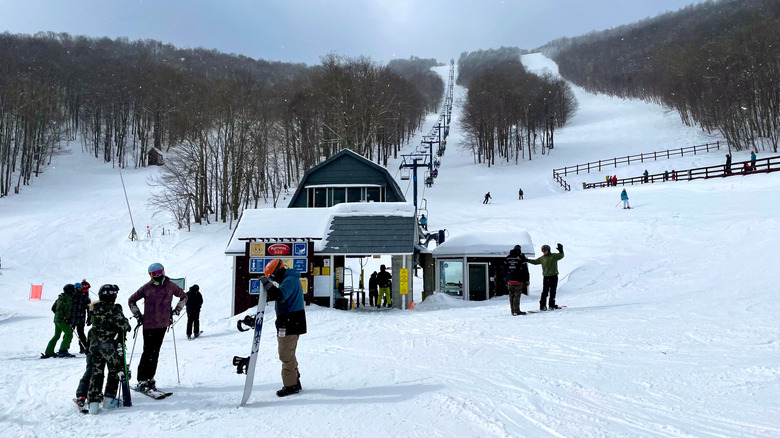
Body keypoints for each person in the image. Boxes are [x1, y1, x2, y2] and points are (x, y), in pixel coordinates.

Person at [128, 262, 187, 393]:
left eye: (159, 272)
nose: (157, 275)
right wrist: (137, 315)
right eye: (154, 274)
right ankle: (142, 379)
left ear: (163, 271)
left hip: (162, 324)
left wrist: (177, 310)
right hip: (148, 325)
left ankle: (150, 378)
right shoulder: (146, 288)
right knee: (147, 352)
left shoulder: (171, 286)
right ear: (150, 275)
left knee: (155, 352)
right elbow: (131, 300)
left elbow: (184, 297)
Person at [261, 259, 307, 397]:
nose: (273, 280)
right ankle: (294, 380)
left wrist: (267, 285)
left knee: (285, 354)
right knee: (289, 353)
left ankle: (290, 386)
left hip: (290, 322)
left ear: (277, 272)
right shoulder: (289, 279)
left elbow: (280, 296)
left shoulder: (289, 280)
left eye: (272, 277)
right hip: (289, 321)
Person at [86, 284, 131, 413]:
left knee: (96, 373)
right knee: (114, 371)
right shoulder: (113, 309)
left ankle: (93, 403)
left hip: (94, 345)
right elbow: (124, 326)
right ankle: (108, 399)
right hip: (109, 346)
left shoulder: (93, 308)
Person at [42, 283, 77, 358]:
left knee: (56, 335)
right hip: (62, 320)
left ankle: (49, 351)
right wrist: (66, 318)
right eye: (73, 290)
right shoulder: (68, 298)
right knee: (69, 334)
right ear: (70, 291)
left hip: (57, 319)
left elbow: (53, 308)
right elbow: (67, 310)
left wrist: (58, 315)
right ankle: (63, 351)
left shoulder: (60, 297)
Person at [526, 243, 565, 311]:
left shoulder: (553, 256)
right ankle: (542, 306)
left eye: (544, 250)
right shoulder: (542, 258)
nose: (543, 252)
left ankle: (551, 305)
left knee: (552, 291)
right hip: (546, 277)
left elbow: (561, 256)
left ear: (548, 250)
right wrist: (527, 260)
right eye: (542, 250)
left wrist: (561, 251)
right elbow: (535, 262)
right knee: (545, 292)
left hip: (554, 276)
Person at [504, 245, 530, 315]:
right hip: (518, 280)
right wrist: (527, 279)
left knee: (511, 296)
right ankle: (516, 310)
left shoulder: (508, 258)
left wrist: (506, 278)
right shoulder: (521, 258)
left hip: (510, 280)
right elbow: (525, 270)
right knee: (517, 296)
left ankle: (512, 310)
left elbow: (504, 269)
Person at [71, 280, 91, 354]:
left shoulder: (71, 296)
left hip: (72, 318)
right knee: (81, 333)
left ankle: (65, 347)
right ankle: (83, 348)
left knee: (69, 333)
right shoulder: (84, 296)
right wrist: (89, 317)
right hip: (81, 318)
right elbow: (89, 308)